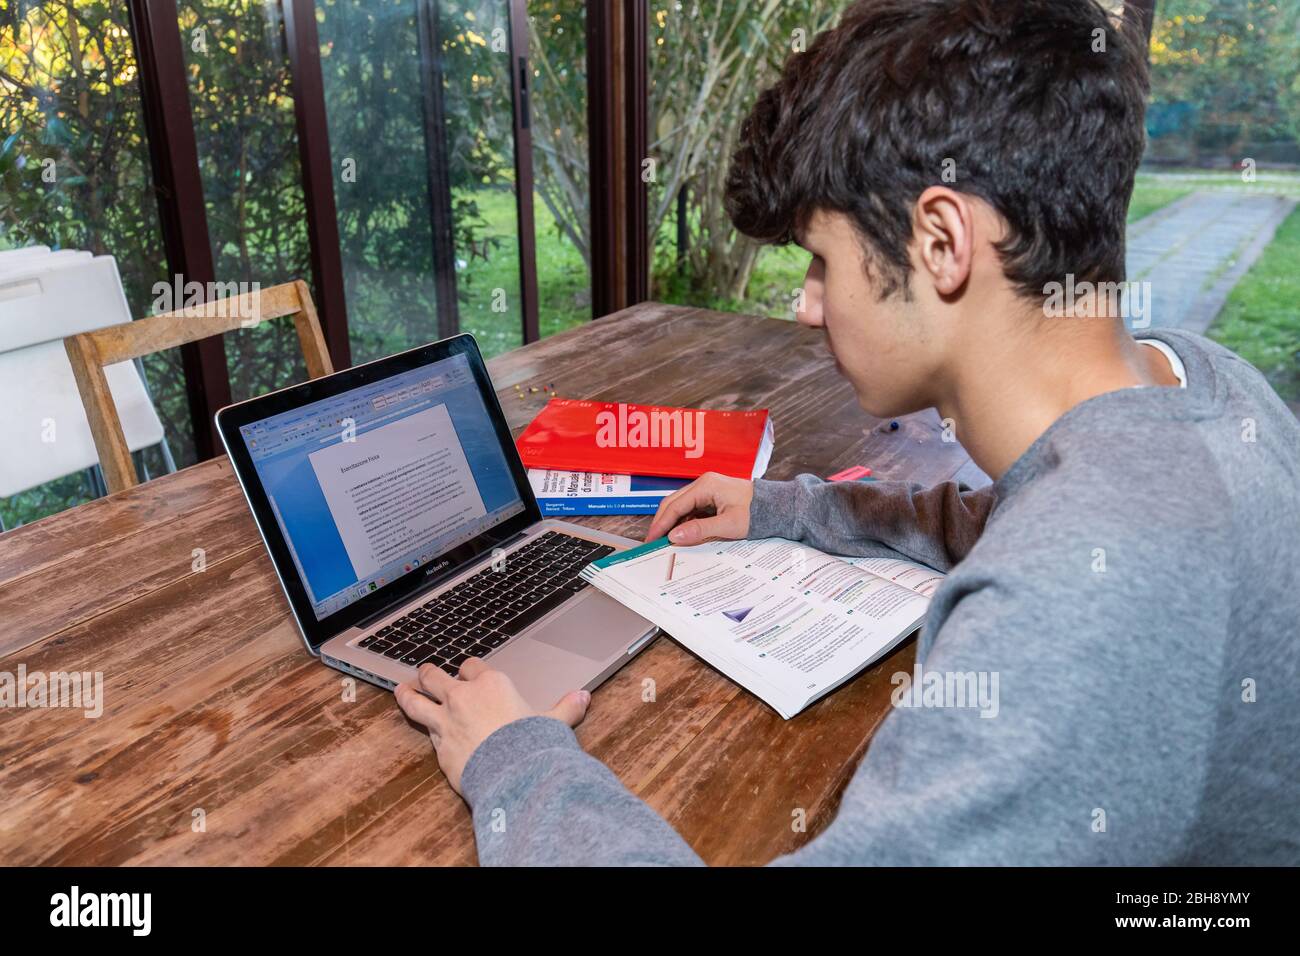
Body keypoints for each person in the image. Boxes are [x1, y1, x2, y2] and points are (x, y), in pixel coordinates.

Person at [395, 0, 1300, 865]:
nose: (805, 305)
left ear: (942, 241)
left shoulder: (1062, 617)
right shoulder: (1204, 384)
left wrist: (514, 761)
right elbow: (1018, 512)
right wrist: (793, 510)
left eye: (823, 262)